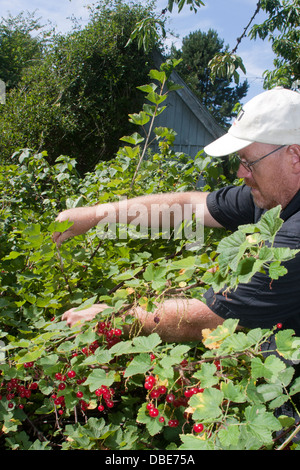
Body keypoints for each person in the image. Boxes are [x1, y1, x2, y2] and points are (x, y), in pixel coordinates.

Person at [53, 87, 300, 342]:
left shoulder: (296, 237)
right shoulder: (272, 197)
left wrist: (111, 318)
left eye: (248, 162)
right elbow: (188, 206)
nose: (240, 173)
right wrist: (96, 214)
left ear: (294, 157)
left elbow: (208, 317)